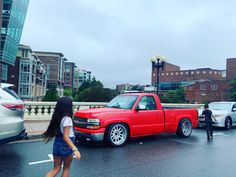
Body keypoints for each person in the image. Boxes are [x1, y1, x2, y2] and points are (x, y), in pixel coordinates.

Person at [43, 97, 81, 177]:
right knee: (66, 169)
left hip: (57, 144)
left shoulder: (59, 117)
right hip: (66, 145)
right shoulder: (67, 119)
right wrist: (75, 149)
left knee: (56, 169)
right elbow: (66, 137)